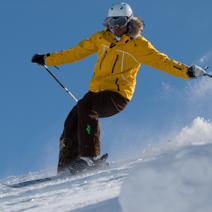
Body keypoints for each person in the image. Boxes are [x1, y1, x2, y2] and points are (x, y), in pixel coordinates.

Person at [32, 2, 206, 173]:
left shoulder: (138, 44)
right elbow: (76, 52)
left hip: (118, 95)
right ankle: (66, 166)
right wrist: (48, 59)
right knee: (72, 119)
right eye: (112, 22)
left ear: (129, 22)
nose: (116, 27)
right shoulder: (102, 38)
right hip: (96, 92)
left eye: (120, 22)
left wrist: (187, 71)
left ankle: (90, 157)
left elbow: (162, 61)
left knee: (85, 106)